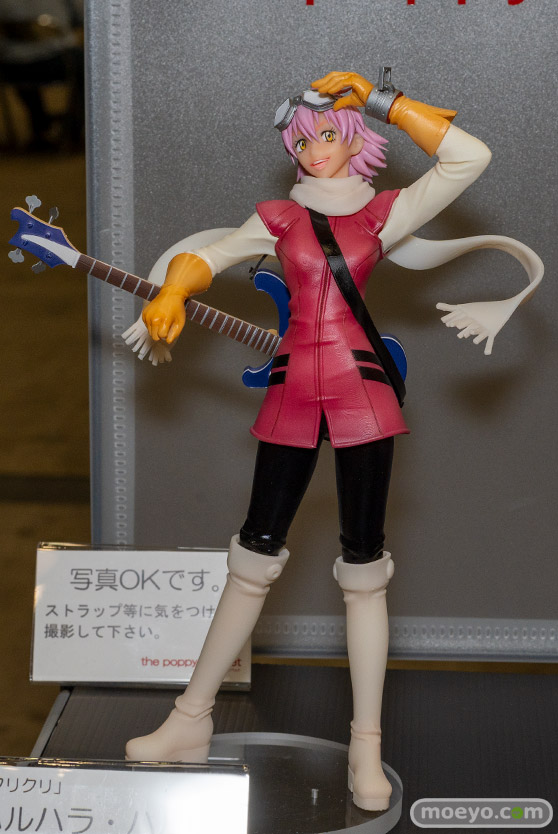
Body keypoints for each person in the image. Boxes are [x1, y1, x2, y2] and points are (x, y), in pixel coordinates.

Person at [125, 70, 542, 811]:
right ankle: (190, 718)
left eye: (327, 135)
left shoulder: (385, 212)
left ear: (352, 139)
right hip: (292, 393)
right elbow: (212, 255)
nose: (314, 150)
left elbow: (469, 157)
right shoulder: (280, 217)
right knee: (252, 555)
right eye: (302, 141)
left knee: (364, 566)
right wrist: (174, 290)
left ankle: (366, 748)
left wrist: (383, 101)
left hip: (362, 397)